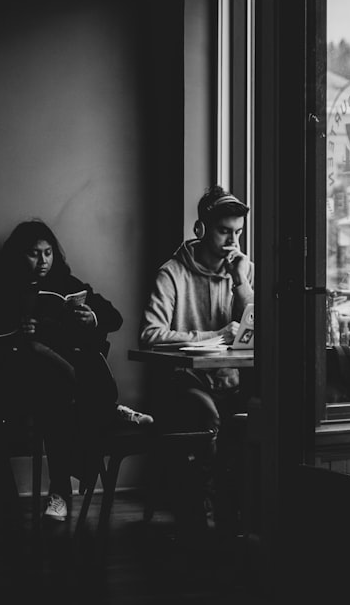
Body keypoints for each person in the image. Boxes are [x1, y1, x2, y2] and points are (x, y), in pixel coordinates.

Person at [0, 219, 126, 522]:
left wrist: (90, 317)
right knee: (43, 372)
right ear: (17, 255)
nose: (43, 262)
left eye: (48, 253)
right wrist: (16, 328)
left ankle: (60, 491)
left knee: (55, 395)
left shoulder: (65, 283)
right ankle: (105, 405)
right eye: (34, 254)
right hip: (14, 382)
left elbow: (113, 317)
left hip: (54, 386)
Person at [140, 185, 255, 534]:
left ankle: (236, 519)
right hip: (185, 384)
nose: (232, 241)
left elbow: (256, 329)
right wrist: (214, 335)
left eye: (238, 232)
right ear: (201, 229)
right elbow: (150, 334)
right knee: (207, 418)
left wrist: (241, 283)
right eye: (224, 231)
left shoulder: (240, 272)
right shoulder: (171, 274)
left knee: (261, 417)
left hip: (231, 381)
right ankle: (201, 520)